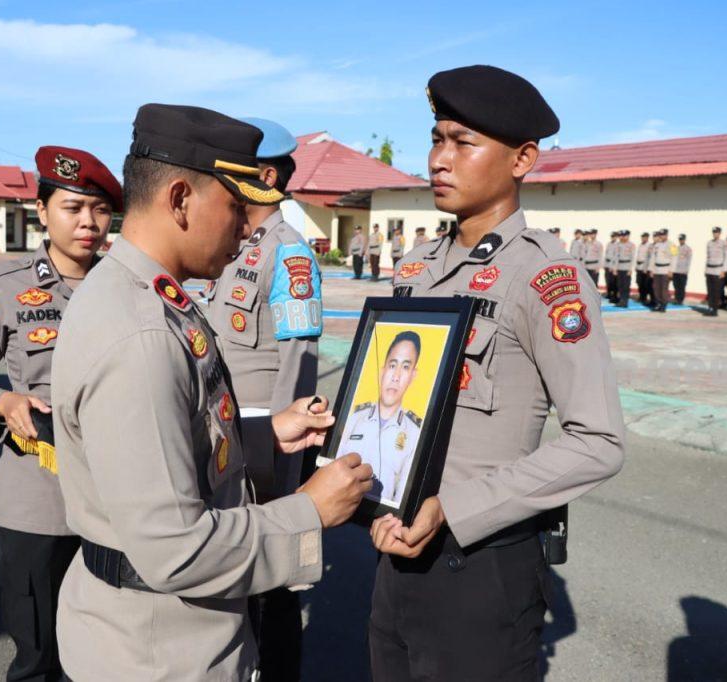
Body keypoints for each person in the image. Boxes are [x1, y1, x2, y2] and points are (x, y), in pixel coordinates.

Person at [50, 104, 372, 681]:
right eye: (236, 208)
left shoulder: (145, 294)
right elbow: (178, 550)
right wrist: (310, 511)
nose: (246, 228)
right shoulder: (142, 333)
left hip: (152, 634)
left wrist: (264, 433)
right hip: (161, 653)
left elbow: (166, 436)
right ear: (180, 200)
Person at [374, 65, 624, 681]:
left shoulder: (545, 277)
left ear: (523, 159)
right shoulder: (414, 270)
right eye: (436, 140)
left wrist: (453, 509)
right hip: (394, 551)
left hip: (478, 567)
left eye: (463, 143)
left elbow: (598, 442)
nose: (439, 159)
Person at [0, 145, 121, 681]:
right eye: (73, 207)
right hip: (38, 505)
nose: (88, 222)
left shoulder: (125, 285)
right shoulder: (5, 285)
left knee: (104, 656)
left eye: (99, 209)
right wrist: (3, 401)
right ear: (42, 212)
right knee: (39, 659)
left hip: (116, 503)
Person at [204, 116, 323, 680]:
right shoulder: (231, 246)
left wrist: (282, 464)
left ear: (266, 177)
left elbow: (299, 366)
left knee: (272, 586)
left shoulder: (289, 252)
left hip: (266, 447)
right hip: (229, 440)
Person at [336, 331, 423, 507]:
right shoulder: (353, 418)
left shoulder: (415, 434)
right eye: (392, 365)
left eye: (405, 367)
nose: (396, 376)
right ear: (382, 371)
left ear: (413, 376)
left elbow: (402, 499)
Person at [703, 226, 727, 316]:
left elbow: (726, 257)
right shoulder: (709, 243)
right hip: (709, 270)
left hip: (718, 270)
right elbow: (708, 257)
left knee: (716, 291)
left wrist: (723, 271)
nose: (715, 234)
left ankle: (715, 309)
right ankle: (710, 307)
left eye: (717, 232)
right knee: (710, 291)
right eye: (714, 232)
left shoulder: (723, 243)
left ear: (719, 233)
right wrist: (705, 269)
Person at [650, 229, 675, 312]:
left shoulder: (672, 245)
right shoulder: (657, 245)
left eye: (663, 235)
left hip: (666, 270)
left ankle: (663, 305)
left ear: (667, 235)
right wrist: (651, 269)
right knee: (656, 288)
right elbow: (653, 257)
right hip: (657, 269)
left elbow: (675, 258)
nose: (661, 236)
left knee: (664, 289)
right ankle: (658, 303)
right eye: (660, 235)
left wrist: (671, 270)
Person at [614, 229, 635, 308]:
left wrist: (630, 269)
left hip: (627, 267)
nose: (622, 237)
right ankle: (621, 301)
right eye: (621, 236)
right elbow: (616, 257)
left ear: (628, 236)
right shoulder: (617, 245)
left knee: (626, 286)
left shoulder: (631, 245)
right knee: (620, 285)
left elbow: (633, 258)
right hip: (619, 267)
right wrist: (615, 268)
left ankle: (625, 302)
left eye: (624, 236)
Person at [673, 233, 692, 304]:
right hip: (675, 270)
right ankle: (676, 298)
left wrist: (687, 270)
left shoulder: (688, 249)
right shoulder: (675, 248)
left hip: (683, 271)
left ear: (685, 239)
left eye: (682, 239)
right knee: (676, 286)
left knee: (682, 286)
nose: (681, 240)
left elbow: (689, 260)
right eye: (680, 239)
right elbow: (673, 259)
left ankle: (680, 299)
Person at [636, 231, 653, 306]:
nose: (643, 238)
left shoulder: (649, 246)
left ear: (647, 238)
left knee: (645, 283)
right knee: (639, 282)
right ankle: (641, 296)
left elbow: (649, 257)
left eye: (645, 237)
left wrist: (647, 268)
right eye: (642, 237)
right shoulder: (640, 245)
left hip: (645, 267)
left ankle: (644, 297)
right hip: (639, 266)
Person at [604, 231, 619, 302]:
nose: (613, 237)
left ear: (616, 237)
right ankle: (609, 294)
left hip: (613, 266)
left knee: (614, 282)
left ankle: (614, 295)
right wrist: (604, 265)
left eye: (614, 236)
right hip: (607, 264)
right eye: (612, 236)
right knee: (608, 280)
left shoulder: (618, 245)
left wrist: (613, 267)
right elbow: (606, 254)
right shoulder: (608, 244)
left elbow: (616, 257)